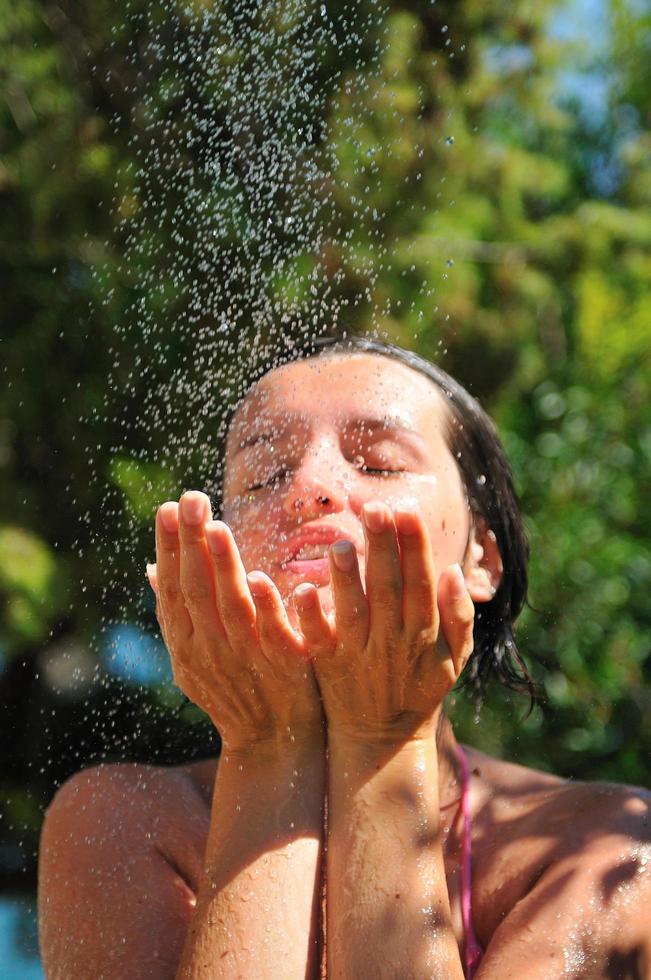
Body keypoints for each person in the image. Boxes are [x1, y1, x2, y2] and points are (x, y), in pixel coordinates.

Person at [38, 337, 651, 979]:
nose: (309, 488)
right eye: (267, 475)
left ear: (482, 560)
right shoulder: (123, 826)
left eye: (379, 463)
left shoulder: (604, 850)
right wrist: (266, 743)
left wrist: (384, 736)